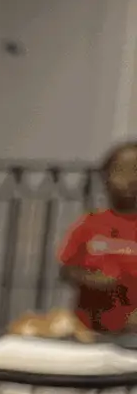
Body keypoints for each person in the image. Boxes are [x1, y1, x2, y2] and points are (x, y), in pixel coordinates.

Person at [58, 142, 137, 337]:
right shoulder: (89, 224)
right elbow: (67, 269)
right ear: (105, 177)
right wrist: (92, 280)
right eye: (121, 171)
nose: (129, 179)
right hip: (89, 329)